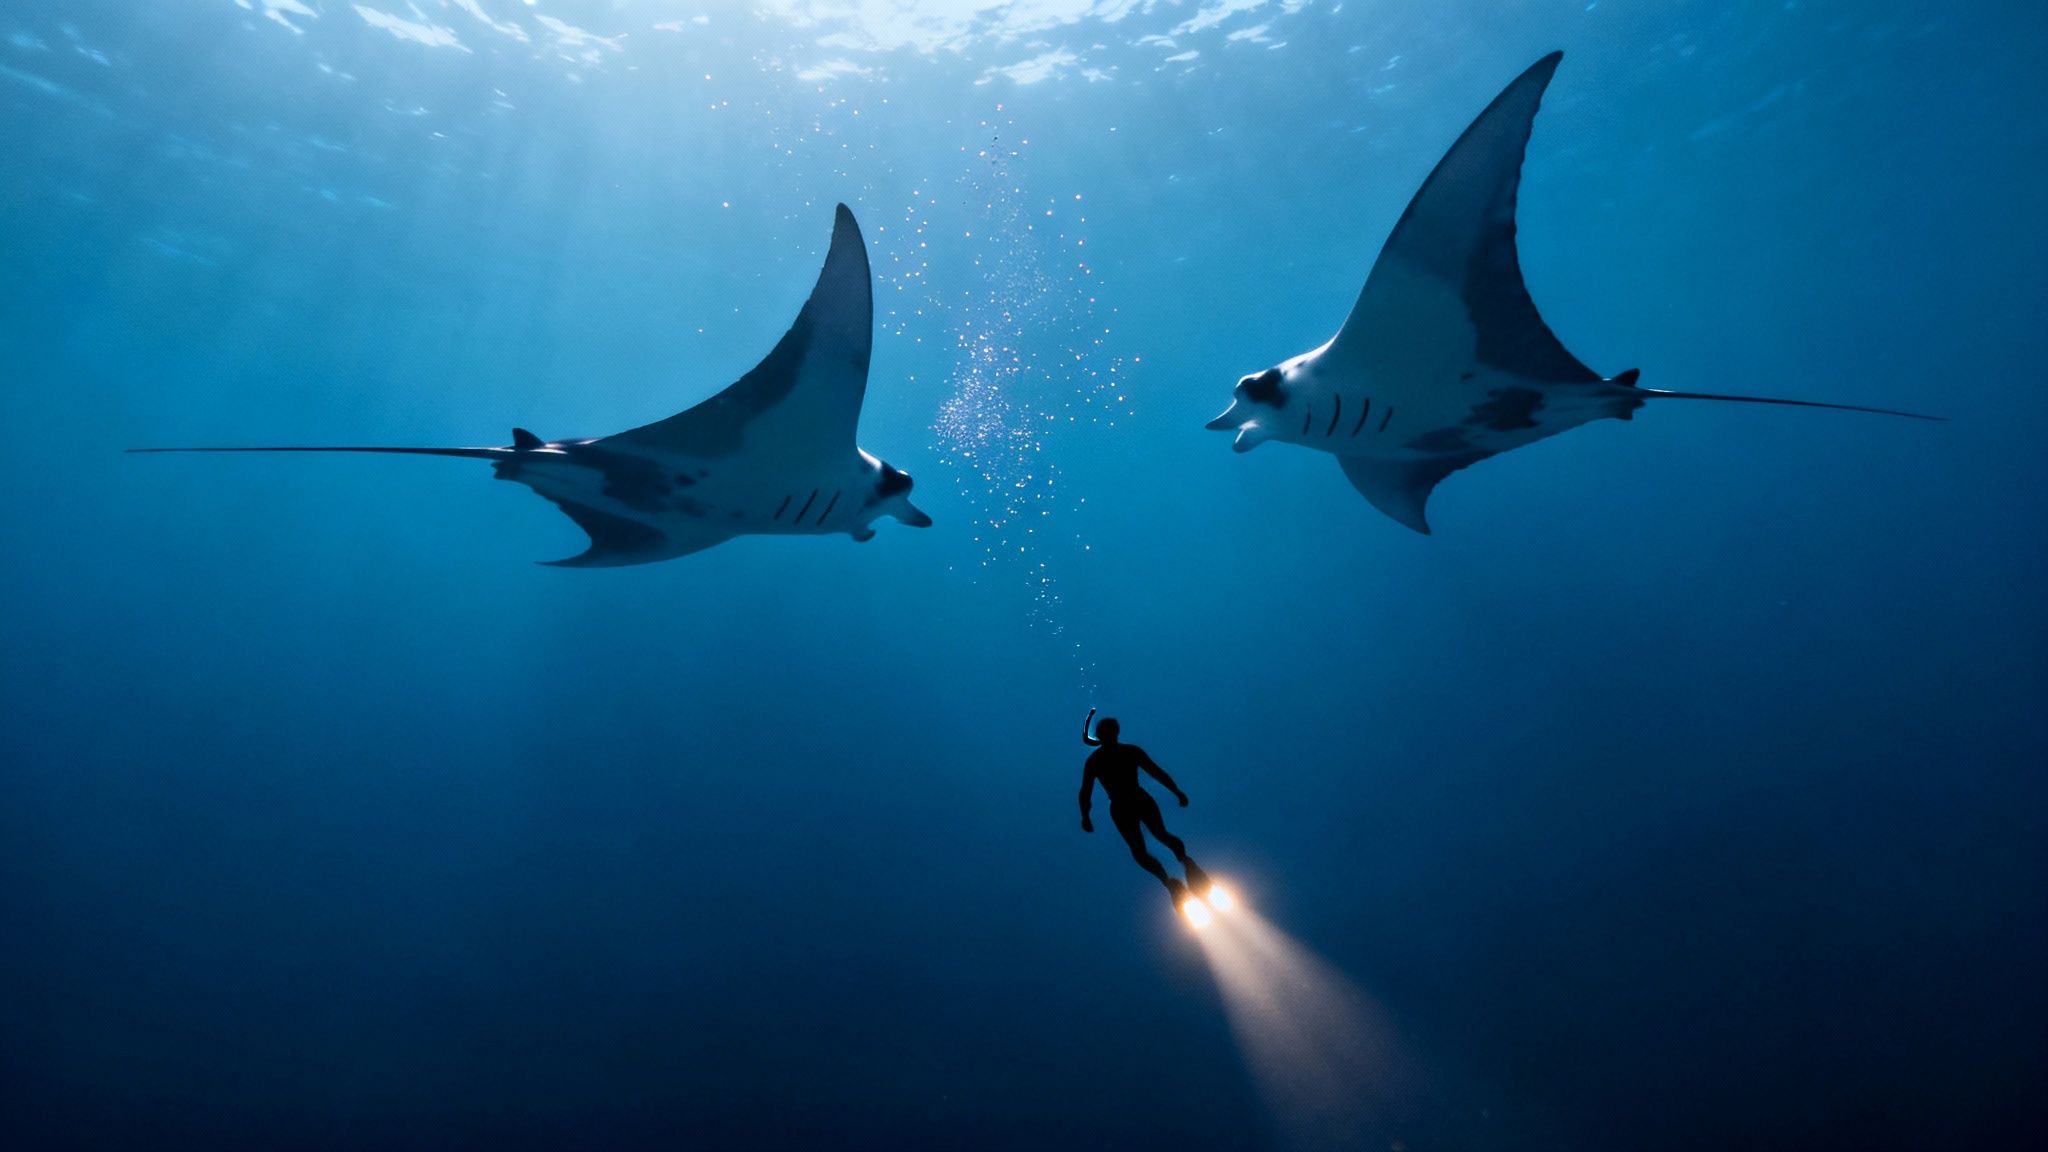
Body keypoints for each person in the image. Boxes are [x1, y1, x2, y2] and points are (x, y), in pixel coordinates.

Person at [1078, 708, 1202, 906]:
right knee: (1148, 844)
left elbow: (1157, 772)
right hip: (1129, 803)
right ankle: (1177, 873)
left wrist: (1176, 791)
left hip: (1129, 802)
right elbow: (1085, 791)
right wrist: (1085, 815)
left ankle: (1180, 870)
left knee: (1153, 841)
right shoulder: (1117, 755)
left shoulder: (1103, 758)